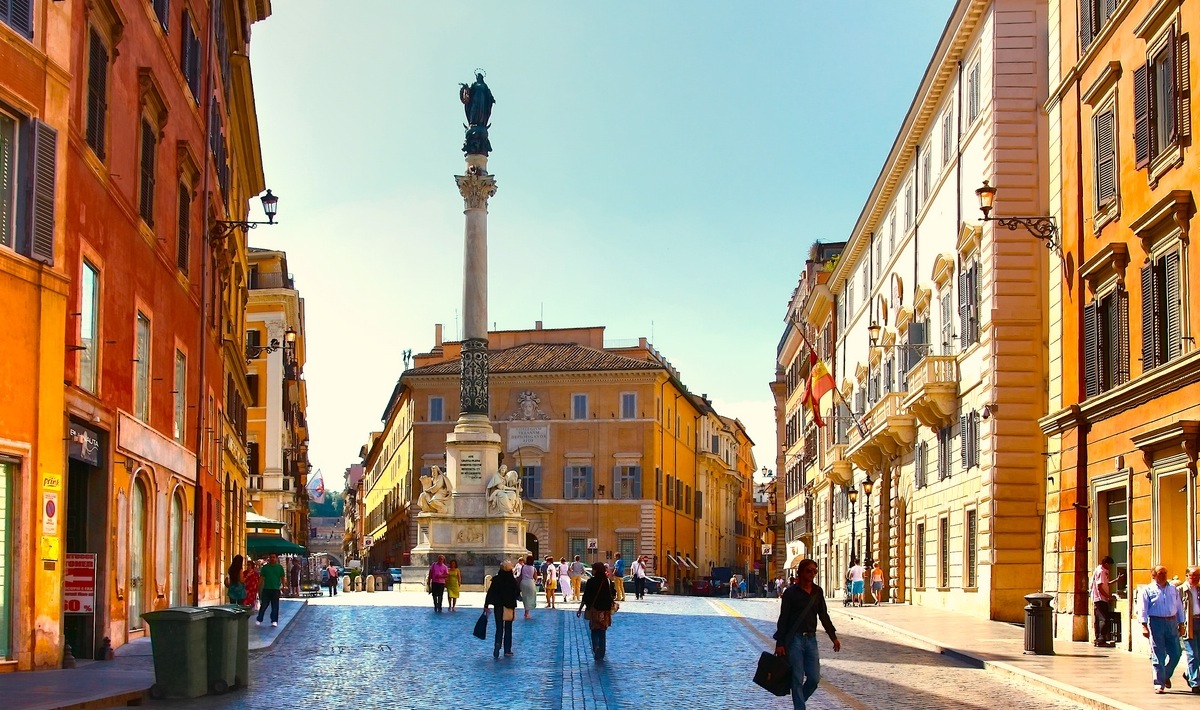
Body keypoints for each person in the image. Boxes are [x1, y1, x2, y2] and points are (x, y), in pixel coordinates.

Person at [774, 559, 841, 710]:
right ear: (800, 573)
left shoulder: (818, 592)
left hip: (811, 639)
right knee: (797, 678)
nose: (812, 574)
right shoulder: (790, 593)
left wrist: (833, 637)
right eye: (809, 571)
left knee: (814, 679)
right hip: (795, 640)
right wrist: (780, 643)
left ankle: (799, 703)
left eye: (814, 571)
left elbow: (823, 615)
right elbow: (783, 619)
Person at [1140, 564, 1186, 694]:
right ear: (1153, 575)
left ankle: (1165, 675)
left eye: (1165, 573)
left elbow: (1179, 606)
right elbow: (1143, 608)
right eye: (1160, 573)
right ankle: (1159, 683)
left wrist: (1181, 623)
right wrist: (1144, 625)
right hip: (1156, 622)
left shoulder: (1173, 589)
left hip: (1171, 622)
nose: (1164, 575)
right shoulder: (1148, 590)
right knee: (1158, 654)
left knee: (1176, 653)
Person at [578, 562, 616, 661]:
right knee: (602, 631)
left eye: (593, 569)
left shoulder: (591, 581)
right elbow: (613, 594)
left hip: (594, 610)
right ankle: (601, 653)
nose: (593, 571)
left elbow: (586, 596)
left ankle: (596, 648)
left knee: (594, 630)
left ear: (596, 570)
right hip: (605, 611)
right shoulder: (607, 581)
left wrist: (580, 608)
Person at [484, 560, 519, 658]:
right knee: (508, 628)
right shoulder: (512, 580)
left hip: (498, 606)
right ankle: (507, 650)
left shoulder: (496, 579)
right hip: (509, 606)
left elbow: (490, 592)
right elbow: (517, 593)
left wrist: (486, 605)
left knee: (499, 628)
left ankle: (497, 646)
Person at [1091, 555, 1121, 647]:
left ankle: (1098, 639)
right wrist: (1108, 597)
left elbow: (1105, 584)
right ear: (1106, 563)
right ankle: (1101, 640)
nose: (1110, 567)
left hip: (1099, 598)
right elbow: (1099, 587)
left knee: (1099, 619)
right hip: (1100, 598)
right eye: (1110, 565)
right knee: (1104, 619)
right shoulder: (1101, 571)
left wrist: (1116, 580)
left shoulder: (1101, 570)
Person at [1179, 567, 1200, 692]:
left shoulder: (1198, 589)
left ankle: (1188, 673)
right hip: (1189, 624)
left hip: (1199, 620)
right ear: (1187, 576)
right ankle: (1195, 682)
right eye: (1193, 576)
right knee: (1193, 654)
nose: (1196, 578)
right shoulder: (1180, 590)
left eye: (1198, 576)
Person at [256, 553, 285, 627]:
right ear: (269, 558)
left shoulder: (279, 567)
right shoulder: (265, 568)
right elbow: (261, 578)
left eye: (274, 557)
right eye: (271, 557)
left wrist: (284, 586)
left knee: (275, 606)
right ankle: (259, 619)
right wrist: (257, 587)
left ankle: (274, 620)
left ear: (276, 558)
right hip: (266, 589)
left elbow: (282, 578)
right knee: (264, 605)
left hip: (275, 590)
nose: (272, 558)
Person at [517, 554, 538, 619]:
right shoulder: (533, 568)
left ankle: (526, 611)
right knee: (531, 596)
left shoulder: (523, 567)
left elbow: (520, 576)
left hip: (523, 582)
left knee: (525, 597)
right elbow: (535, 577)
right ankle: (527, 611)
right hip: (530, 582)